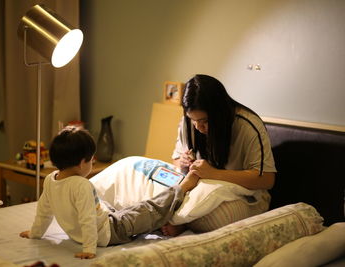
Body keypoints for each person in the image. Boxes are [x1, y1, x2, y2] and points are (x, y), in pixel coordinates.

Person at [20, 126, 199, 259]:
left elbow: (43, 212)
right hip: (109, 232)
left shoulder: (51, 180)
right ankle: (181, 189)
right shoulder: (81, 185)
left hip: (83, 231)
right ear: (82, 163)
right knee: (147, 209)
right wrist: (89, 249)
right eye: (91, 160)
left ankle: (163, 223)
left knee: (129, 210)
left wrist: (35, 232)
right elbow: (87, 219)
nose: (92, 164)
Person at [162, 74, 277, 236]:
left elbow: (267, 179)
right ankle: (184, 219)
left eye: (205, 121)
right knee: (151, 180)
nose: (198, 127)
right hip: (198, 190)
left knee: (220, 216)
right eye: (193, 120)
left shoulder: (247, 125)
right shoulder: (189, 122)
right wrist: (182, 163)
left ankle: (183, 222)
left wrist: (214, 174)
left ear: (220, 113)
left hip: (244, 197)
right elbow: (175, 159)